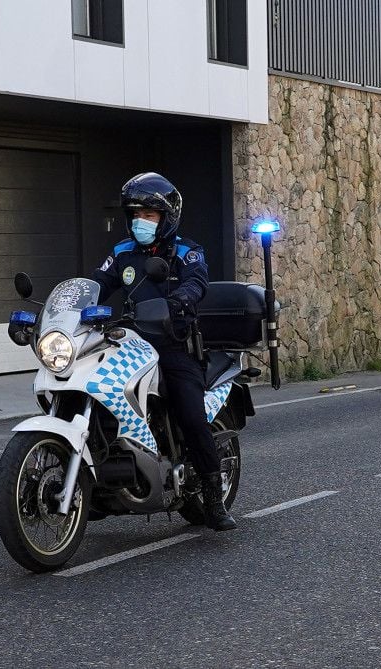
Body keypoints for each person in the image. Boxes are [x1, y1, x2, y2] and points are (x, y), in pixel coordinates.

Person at [93, 172, 236, 531]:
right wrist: (71, 305)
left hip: (173, 347)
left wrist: (178, 301)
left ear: (167, 217)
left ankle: (213, 497)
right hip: (130, 344)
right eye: (136, 214)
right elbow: (98, 283)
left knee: (190, 412)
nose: (141, 221)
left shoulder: (187, 251)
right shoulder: (122, 253)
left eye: (150, 215)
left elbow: (197, 282)